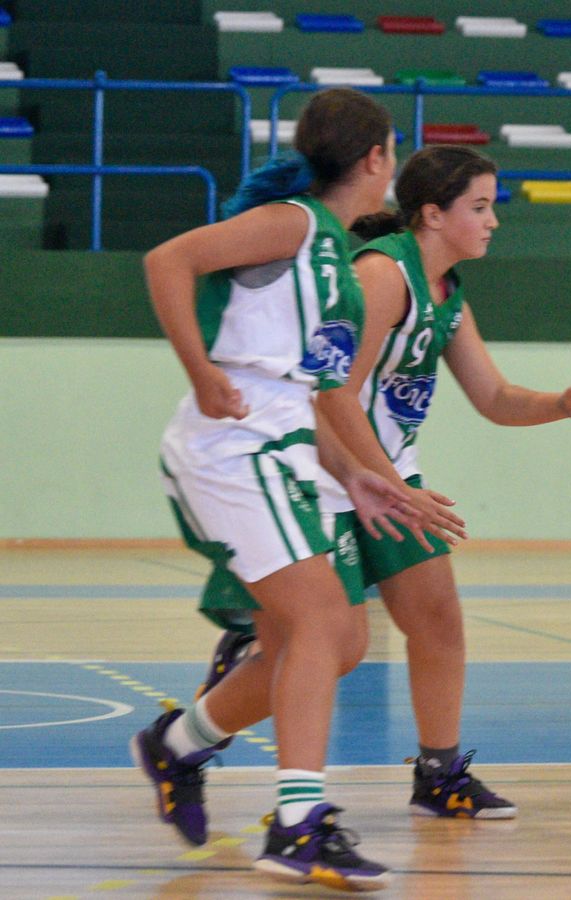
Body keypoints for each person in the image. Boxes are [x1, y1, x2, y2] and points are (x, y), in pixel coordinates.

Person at [193, 145, 571, 821]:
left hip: (384, 475)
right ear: (432, 214)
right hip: (327, 471)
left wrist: (565, 403)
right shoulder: (384, 275)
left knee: (438, 619)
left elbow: (495, 397)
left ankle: (438, 774)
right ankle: (223, 731)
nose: (493, 221)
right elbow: (332, 397)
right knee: (336, 647)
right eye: (479, 207)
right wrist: (385, 483)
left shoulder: (446, 293)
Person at [131, 88, 459, 891]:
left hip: (282, 445)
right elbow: (166, 259)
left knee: (331, 640)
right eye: (391, 154)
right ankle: (300, 823)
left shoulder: (334, 256)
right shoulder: (298, 222)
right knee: (319, 617)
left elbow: (311, 394)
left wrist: (362, 476)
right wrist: (201, 371)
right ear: (376, 158)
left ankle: (179, 745)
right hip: (232, 444)